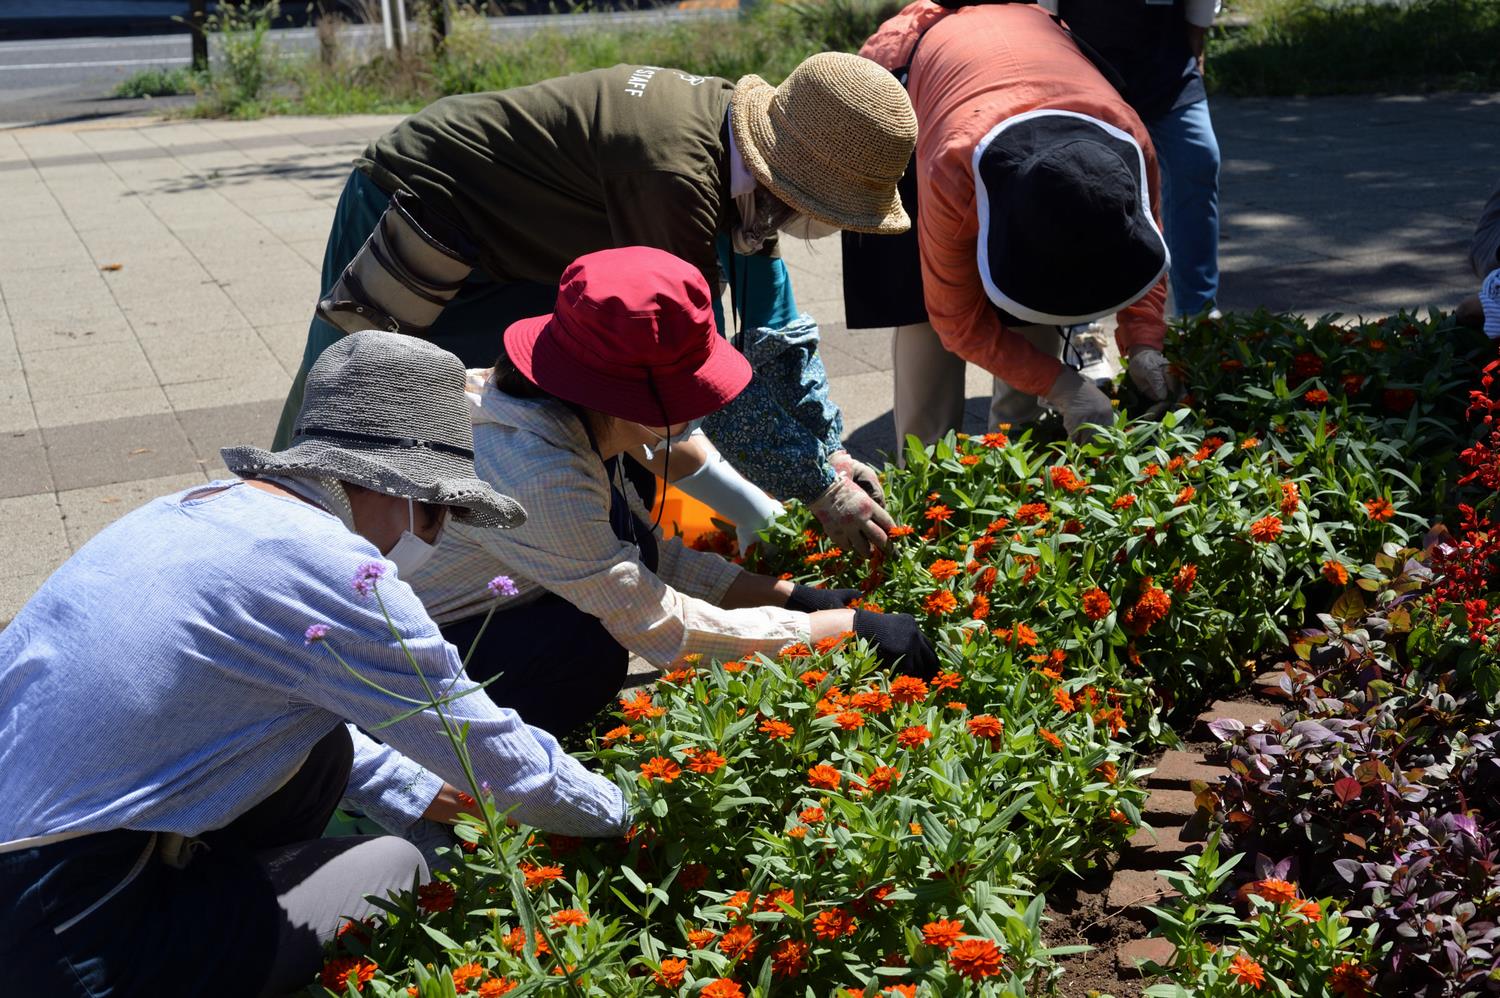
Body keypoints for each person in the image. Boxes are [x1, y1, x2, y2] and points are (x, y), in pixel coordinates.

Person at [0, 332, 629, 998]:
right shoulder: (333, 568)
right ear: (396, 488)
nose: (436, 538)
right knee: (395, 865)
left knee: (323, 745)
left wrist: (417, 788)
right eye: (440, 510)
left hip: (39, 859)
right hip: (59, 936)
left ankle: (206, 900)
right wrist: (626, 813)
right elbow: (506, 765)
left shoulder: (199, 510)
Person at [273, 53, 919, 558]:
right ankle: (274, 533)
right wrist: (812, 490)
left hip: (519, 240)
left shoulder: (748, 155)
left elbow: (778, 332)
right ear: (793, 186)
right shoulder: (674, 179)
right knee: (346, 397)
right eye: (832, 214)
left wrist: (829, 449)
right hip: (423, 202)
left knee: (523, 401)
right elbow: (697, 374)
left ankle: (493, 553)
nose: (829, 229)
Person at [408, 246, 940, 738]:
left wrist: (791, 598)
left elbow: (647, 557)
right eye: (692, 387)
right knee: (591, 648)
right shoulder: (539, 476)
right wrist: (839, 629)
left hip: (498, 598)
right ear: (625, 400)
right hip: (423, 666)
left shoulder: (558, 412)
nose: (703, 406)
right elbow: (665, 632)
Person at [843, 1, 1175, 446]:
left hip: (1020, 85)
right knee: (922, 308)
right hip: (919, 115)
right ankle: (923, 469)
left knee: (1038, 304)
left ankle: (1017, 446)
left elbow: (1144, 248)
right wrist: (1063, 385)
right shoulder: (953, 165)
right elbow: (955, 320)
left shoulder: (1129, 138)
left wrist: (1144, 344)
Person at [1049, 0, 1223, 320]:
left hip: (1168, 67)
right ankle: (1082, 326)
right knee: (1078, 184)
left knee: (1198, 161)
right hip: (1084, 69)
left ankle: (1198, 314)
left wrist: (1196, 45)